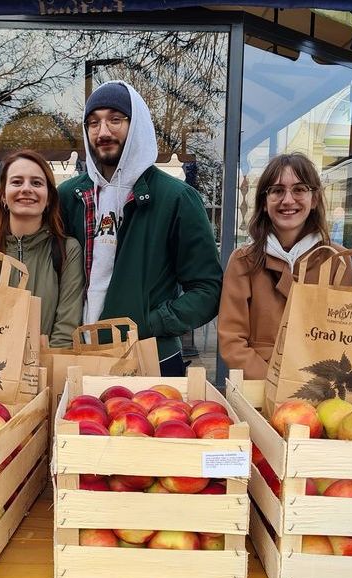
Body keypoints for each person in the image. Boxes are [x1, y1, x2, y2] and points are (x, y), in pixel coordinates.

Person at [58, 80, 222, 376]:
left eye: (115, 119)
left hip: (151, 359)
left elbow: (207, 289)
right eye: (93, 123)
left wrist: (152, 323)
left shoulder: (176, 198)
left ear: (137, 126)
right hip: (78, 356)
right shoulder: (69, 197)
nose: (103, 131)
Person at [218, 153, 352, 380]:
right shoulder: (243, 260)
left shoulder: (338, 260)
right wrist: (273, 384)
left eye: (299, 189)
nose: (288, 200)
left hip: (320, 389)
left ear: (315, 199)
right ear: (264, 201)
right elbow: (232, 341)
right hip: (258, 386)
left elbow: (346, 336)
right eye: (277, 190)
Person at [0, 150, 83, 347]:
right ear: (3, 196)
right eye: (17, 182)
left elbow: (66, 330)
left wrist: (40, 373)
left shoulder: (67, 250)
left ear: (48, 198)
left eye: (37, 183)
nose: (26, 189)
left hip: (44, 371)